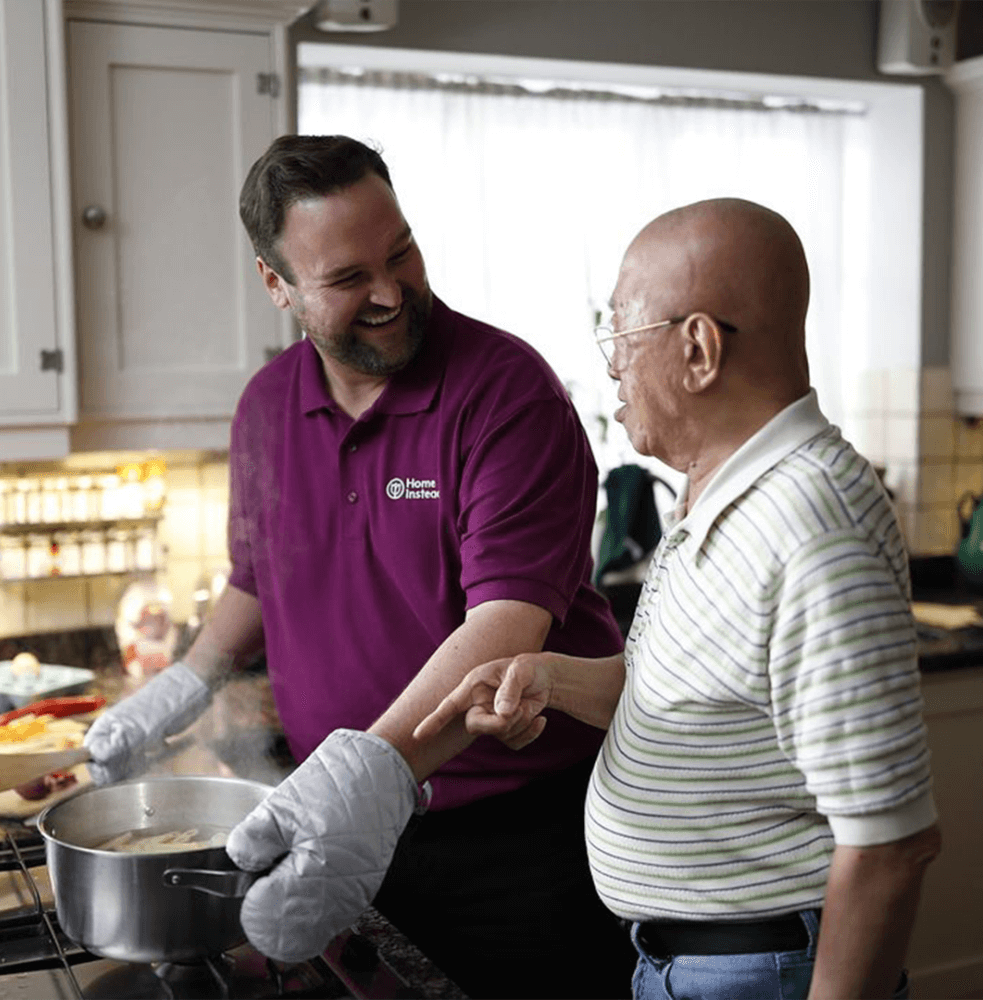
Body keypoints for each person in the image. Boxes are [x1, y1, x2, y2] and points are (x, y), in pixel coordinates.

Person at [82, 134, 634, 999]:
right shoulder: (267, 407)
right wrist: (184, 682)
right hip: (336, 831)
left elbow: (504, 629)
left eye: (402, 251)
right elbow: (258, 576)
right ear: (278, 286)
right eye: (347, 278)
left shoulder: (507, 393)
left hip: (517, 845)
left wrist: (366, 777)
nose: (390, 292)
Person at [416, 198, 942, 1000]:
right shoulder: (722, 492)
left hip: (762, 972)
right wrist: (550, 678)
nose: (612, 365)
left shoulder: (809, 524)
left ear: (697, 349)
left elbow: (892, 842)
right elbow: (690, 692)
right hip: (690, 963)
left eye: (620, 333)